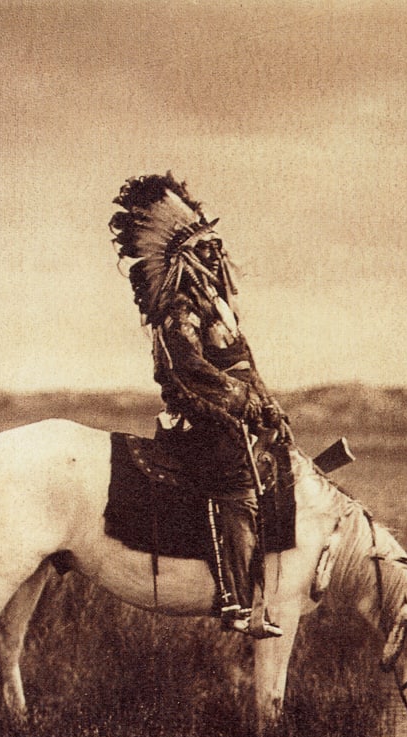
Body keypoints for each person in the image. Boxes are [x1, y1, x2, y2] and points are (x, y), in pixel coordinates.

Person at [109, 173, 288, 637]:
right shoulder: (179, 310)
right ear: (186, 257)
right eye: (205, 248)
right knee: (237, 481)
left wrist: (268, 406)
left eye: (216, 245)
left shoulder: (218, 307)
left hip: (233, 414)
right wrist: (240, 403)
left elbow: (244, 363)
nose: (216, 254)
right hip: (200, 421)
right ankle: (237, 602)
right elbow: (186, 372)